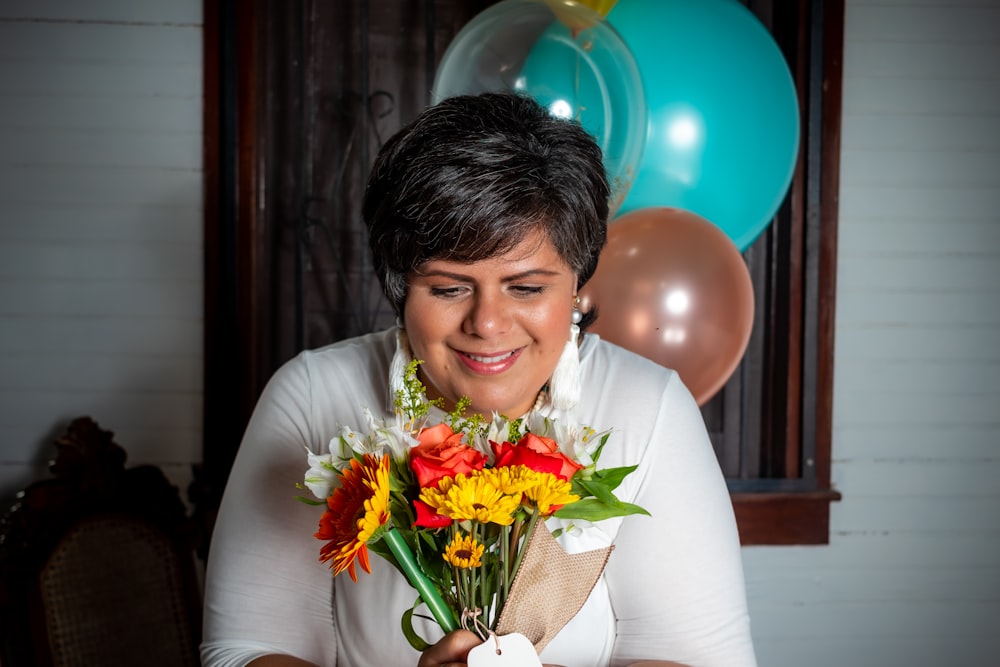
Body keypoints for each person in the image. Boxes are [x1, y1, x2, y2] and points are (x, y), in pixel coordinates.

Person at [200, 92, 757, 667]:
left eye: (527, 288)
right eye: (448, 288)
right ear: (399, 290)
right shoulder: (313, 397)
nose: (487, 324)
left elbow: (708, 659)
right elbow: (245, 651)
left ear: (577, 285)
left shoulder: (649, 405)